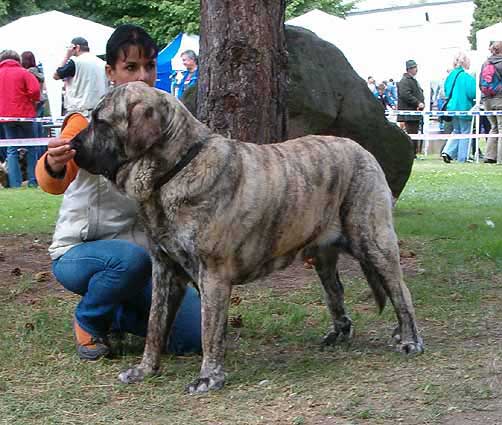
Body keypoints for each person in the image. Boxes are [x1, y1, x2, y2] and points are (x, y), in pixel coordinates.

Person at [36, 24, 202, 361]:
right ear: (110, 72)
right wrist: (53, 162)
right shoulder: (86, 122)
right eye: (131, 67)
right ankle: (89, 320)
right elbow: (52, 182)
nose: (143, 76)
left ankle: (118, 314)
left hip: (147, 258)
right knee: (128, 261)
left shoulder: (168, 126)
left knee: (194, 336)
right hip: (82, 254)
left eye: (150, 65)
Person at [0, 50, 40, 188]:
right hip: (25, 115)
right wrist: (30, 99)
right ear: (17, 60)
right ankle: (33, 181)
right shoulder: (24, 73)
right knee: (31, 148)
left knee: (11, 149)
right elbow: (35, 91)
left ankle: (15, 183)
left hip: (5, 116)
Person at [53, 37, 107, 115]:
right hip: (100, 110)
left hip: (79, 111)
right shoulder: (102, 63)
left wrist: (67, 55)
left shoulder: (75, 62)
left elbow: (56, 75)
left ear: (77, 47)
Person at [440, 52, 476, 164]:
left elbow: (446, 90)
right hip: (464, 107)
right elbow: (473, 93)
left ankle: (448, 151)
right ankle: (463, 157)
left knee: (456, 130)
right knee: (465, 131)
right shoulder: (467, 77)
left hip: (452, 107)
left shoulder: (450, 75)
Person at [21, 51, 47, 159]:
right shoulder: (38, 71)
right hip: (40, 102)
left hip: (34, 103)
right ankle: (42, 156)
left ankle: (37, 158)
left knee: (34, 134)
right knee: (40, 132)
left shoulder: (28, 73)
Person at [480, 41, 502, 164]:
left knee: (493, 128)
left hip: (487, 100)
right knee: (501, 128)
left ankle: (490, 156)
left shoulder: (485, 63)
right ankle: (500, 158)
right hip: (500, 99)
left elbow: (480, 84)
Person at [397, 60, 425, 157]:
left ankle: (413, 153)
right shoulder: (405, 81)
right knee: (411, 134)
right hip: (409, 114)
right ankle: (410, 153)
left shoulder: (411, 80)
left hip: (414, 113)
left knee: (414, 133)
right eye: (414, 67)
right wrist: (417, 103)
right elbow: (405, 94)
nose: (416, 69)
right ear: (410, 69)